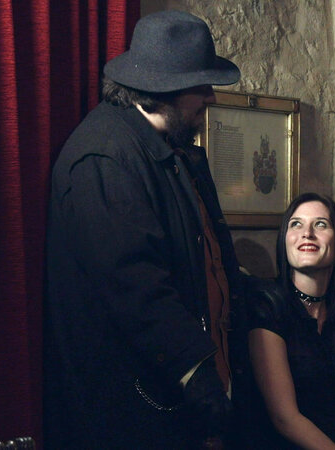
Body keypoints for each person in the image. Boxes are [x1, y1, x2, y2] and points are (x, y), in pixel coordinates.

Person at [44, 10, 244, 448]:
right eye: (201, 86)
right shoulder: (104, 157)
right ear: (163, 89)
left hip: (173, 405)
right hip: (131, 415)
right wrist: (196, 373)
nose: (211, 97)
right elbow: (134, 285)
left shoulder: (174, 151)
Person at [230, 193, 335, 449]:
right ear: (285, 242)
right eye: (296, 224)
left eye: (320, 224)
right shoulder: (266, 304)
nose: (307, 233)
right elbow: (285, 418)